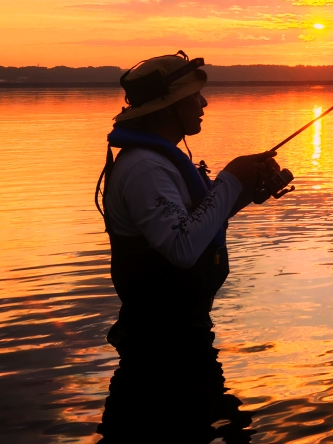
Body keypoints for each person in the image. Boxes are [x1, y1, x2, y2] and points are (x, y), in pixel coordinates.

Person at [94, 51, 279, 442]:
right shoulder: (145, 167)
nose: (204, 103)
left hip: (181, 337)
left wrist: (248, 191)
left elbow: (195, 225)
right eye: (196, 96)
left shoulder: (157, 162)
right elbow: (181, 245)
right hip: (158, 352)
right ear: (171, 106)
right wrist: (229, 181)